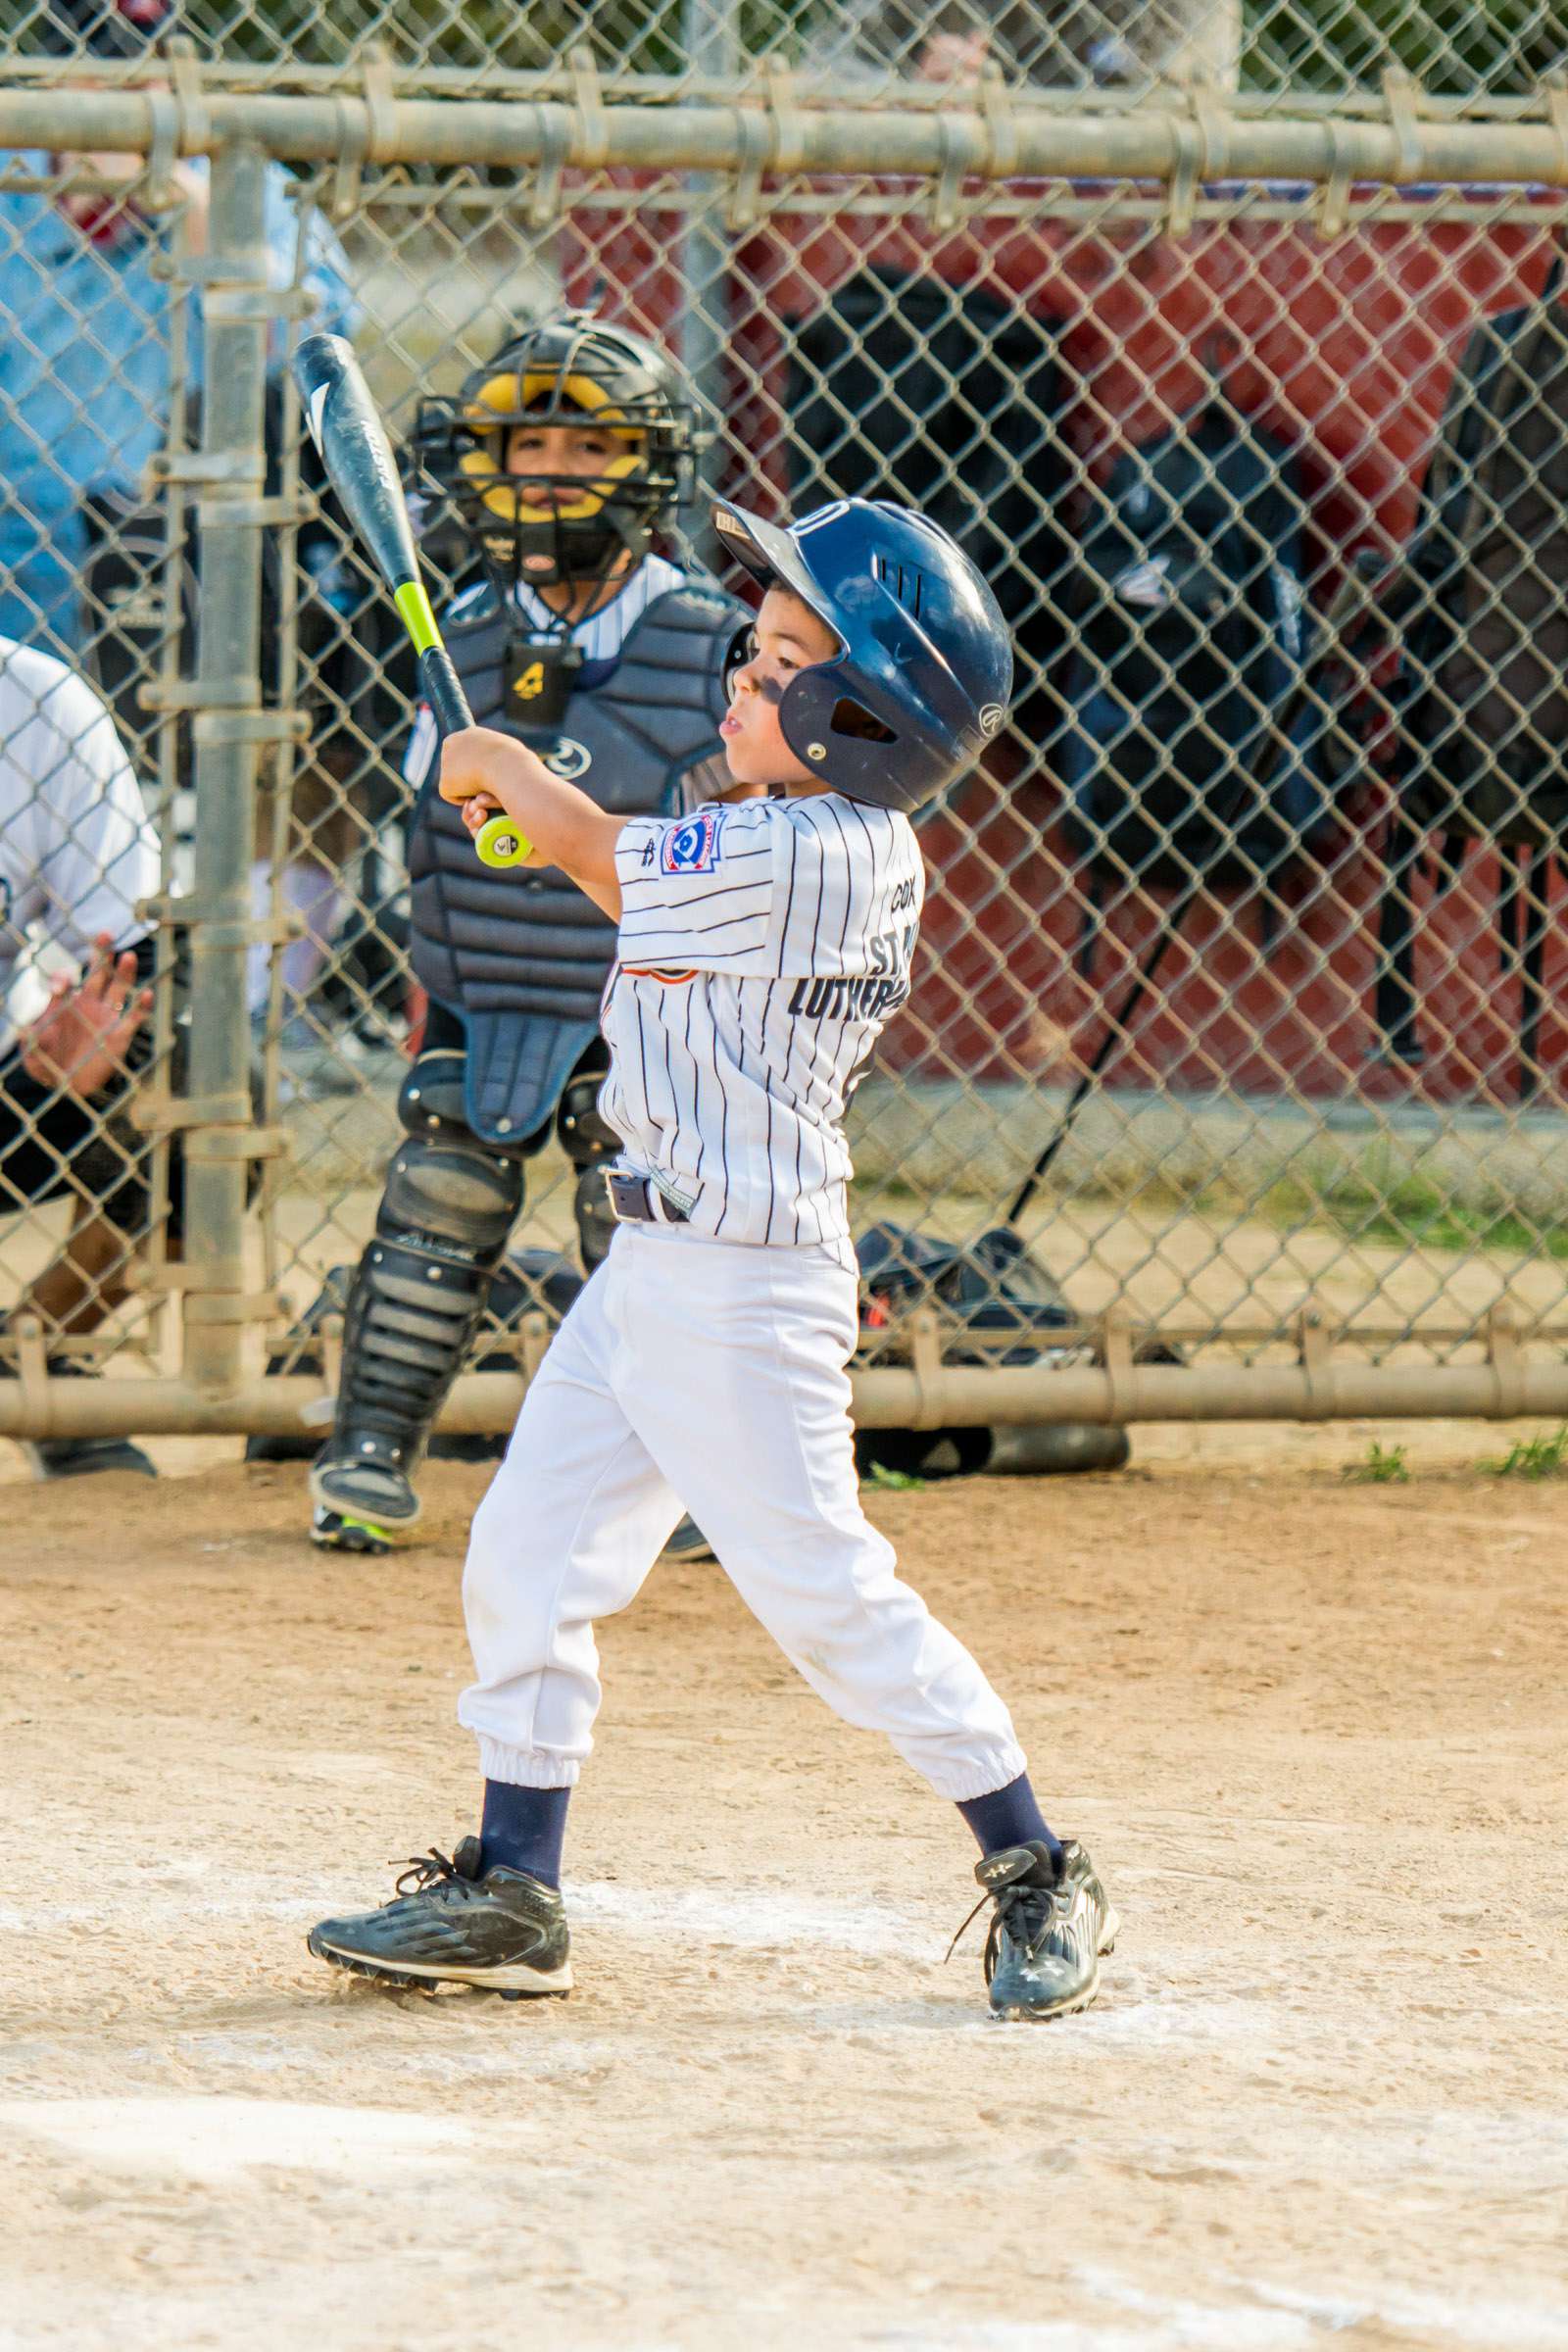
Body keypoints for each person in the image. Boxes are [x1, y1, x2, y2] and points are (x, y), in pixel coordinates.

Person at [305, 494, 1119, 2024]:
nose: (743, 676)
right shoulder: (764, 833)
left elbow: (608, 859)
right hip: (648, 1270)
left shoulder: (834, 851)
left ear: (857, 716)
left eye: (779, 662)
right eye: (752, 651)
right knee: (529, 1558)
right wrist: (538, 823)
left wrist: (505, 776)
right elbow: (626, 877)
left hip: (742, 1288)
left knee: (826, 1597)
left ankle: (1037, 1862)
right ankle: (512, 1883)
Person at [303, 311, 752, 1556]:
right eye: (520, 445)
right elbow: (430, 830)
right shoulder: (455, 632)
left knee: (645, 1206)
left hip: (652, 1001)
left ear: (649, 465)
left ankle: (689, 1472)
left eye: (586, 446)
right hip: (489, 973)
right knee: (443, 1177)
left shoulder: (713, 642)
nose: (546, 472)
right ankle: (368, 1454)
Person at [0, 629, 164, 1479]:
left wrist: (97, 1025)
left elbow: (132, 940)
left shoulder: (30, 700)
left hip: (16, 1082)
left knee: (193, 1080)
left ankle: (29, 1362)